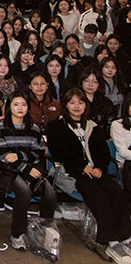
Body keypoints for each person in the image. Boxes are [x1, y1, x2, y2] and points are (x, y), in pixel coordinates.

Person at [48, 88, 131, 262]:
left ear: (86, 105)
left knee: (118, 194)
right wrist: (82, 166)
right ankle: (108, 241)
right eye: (72, 103)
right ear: (66, 105)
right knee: (100, 197)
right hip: (74, 173)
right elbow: (58, 152)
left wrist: (100, 167)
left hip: (96, 172)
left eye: (80, 102)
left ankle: (125, 237)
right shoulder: (57, 126)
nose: (76, 106)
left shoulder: (93, 126)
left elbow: (103, 152)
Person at [0, 91, 56, 250]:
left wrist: (20, 156)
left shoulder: (33, 128)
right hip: (8, 171)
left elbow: (38, 152)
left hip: (31, 168)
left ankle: (43, 231)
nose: (20, 108)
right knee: (24, 192)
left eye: (23, 104)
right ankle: (18, 235)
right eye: (16, 104)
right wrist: (25, 167)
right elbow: (2, 155)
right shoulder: (1, 127)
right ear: (9, 107)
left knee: (50, 193)